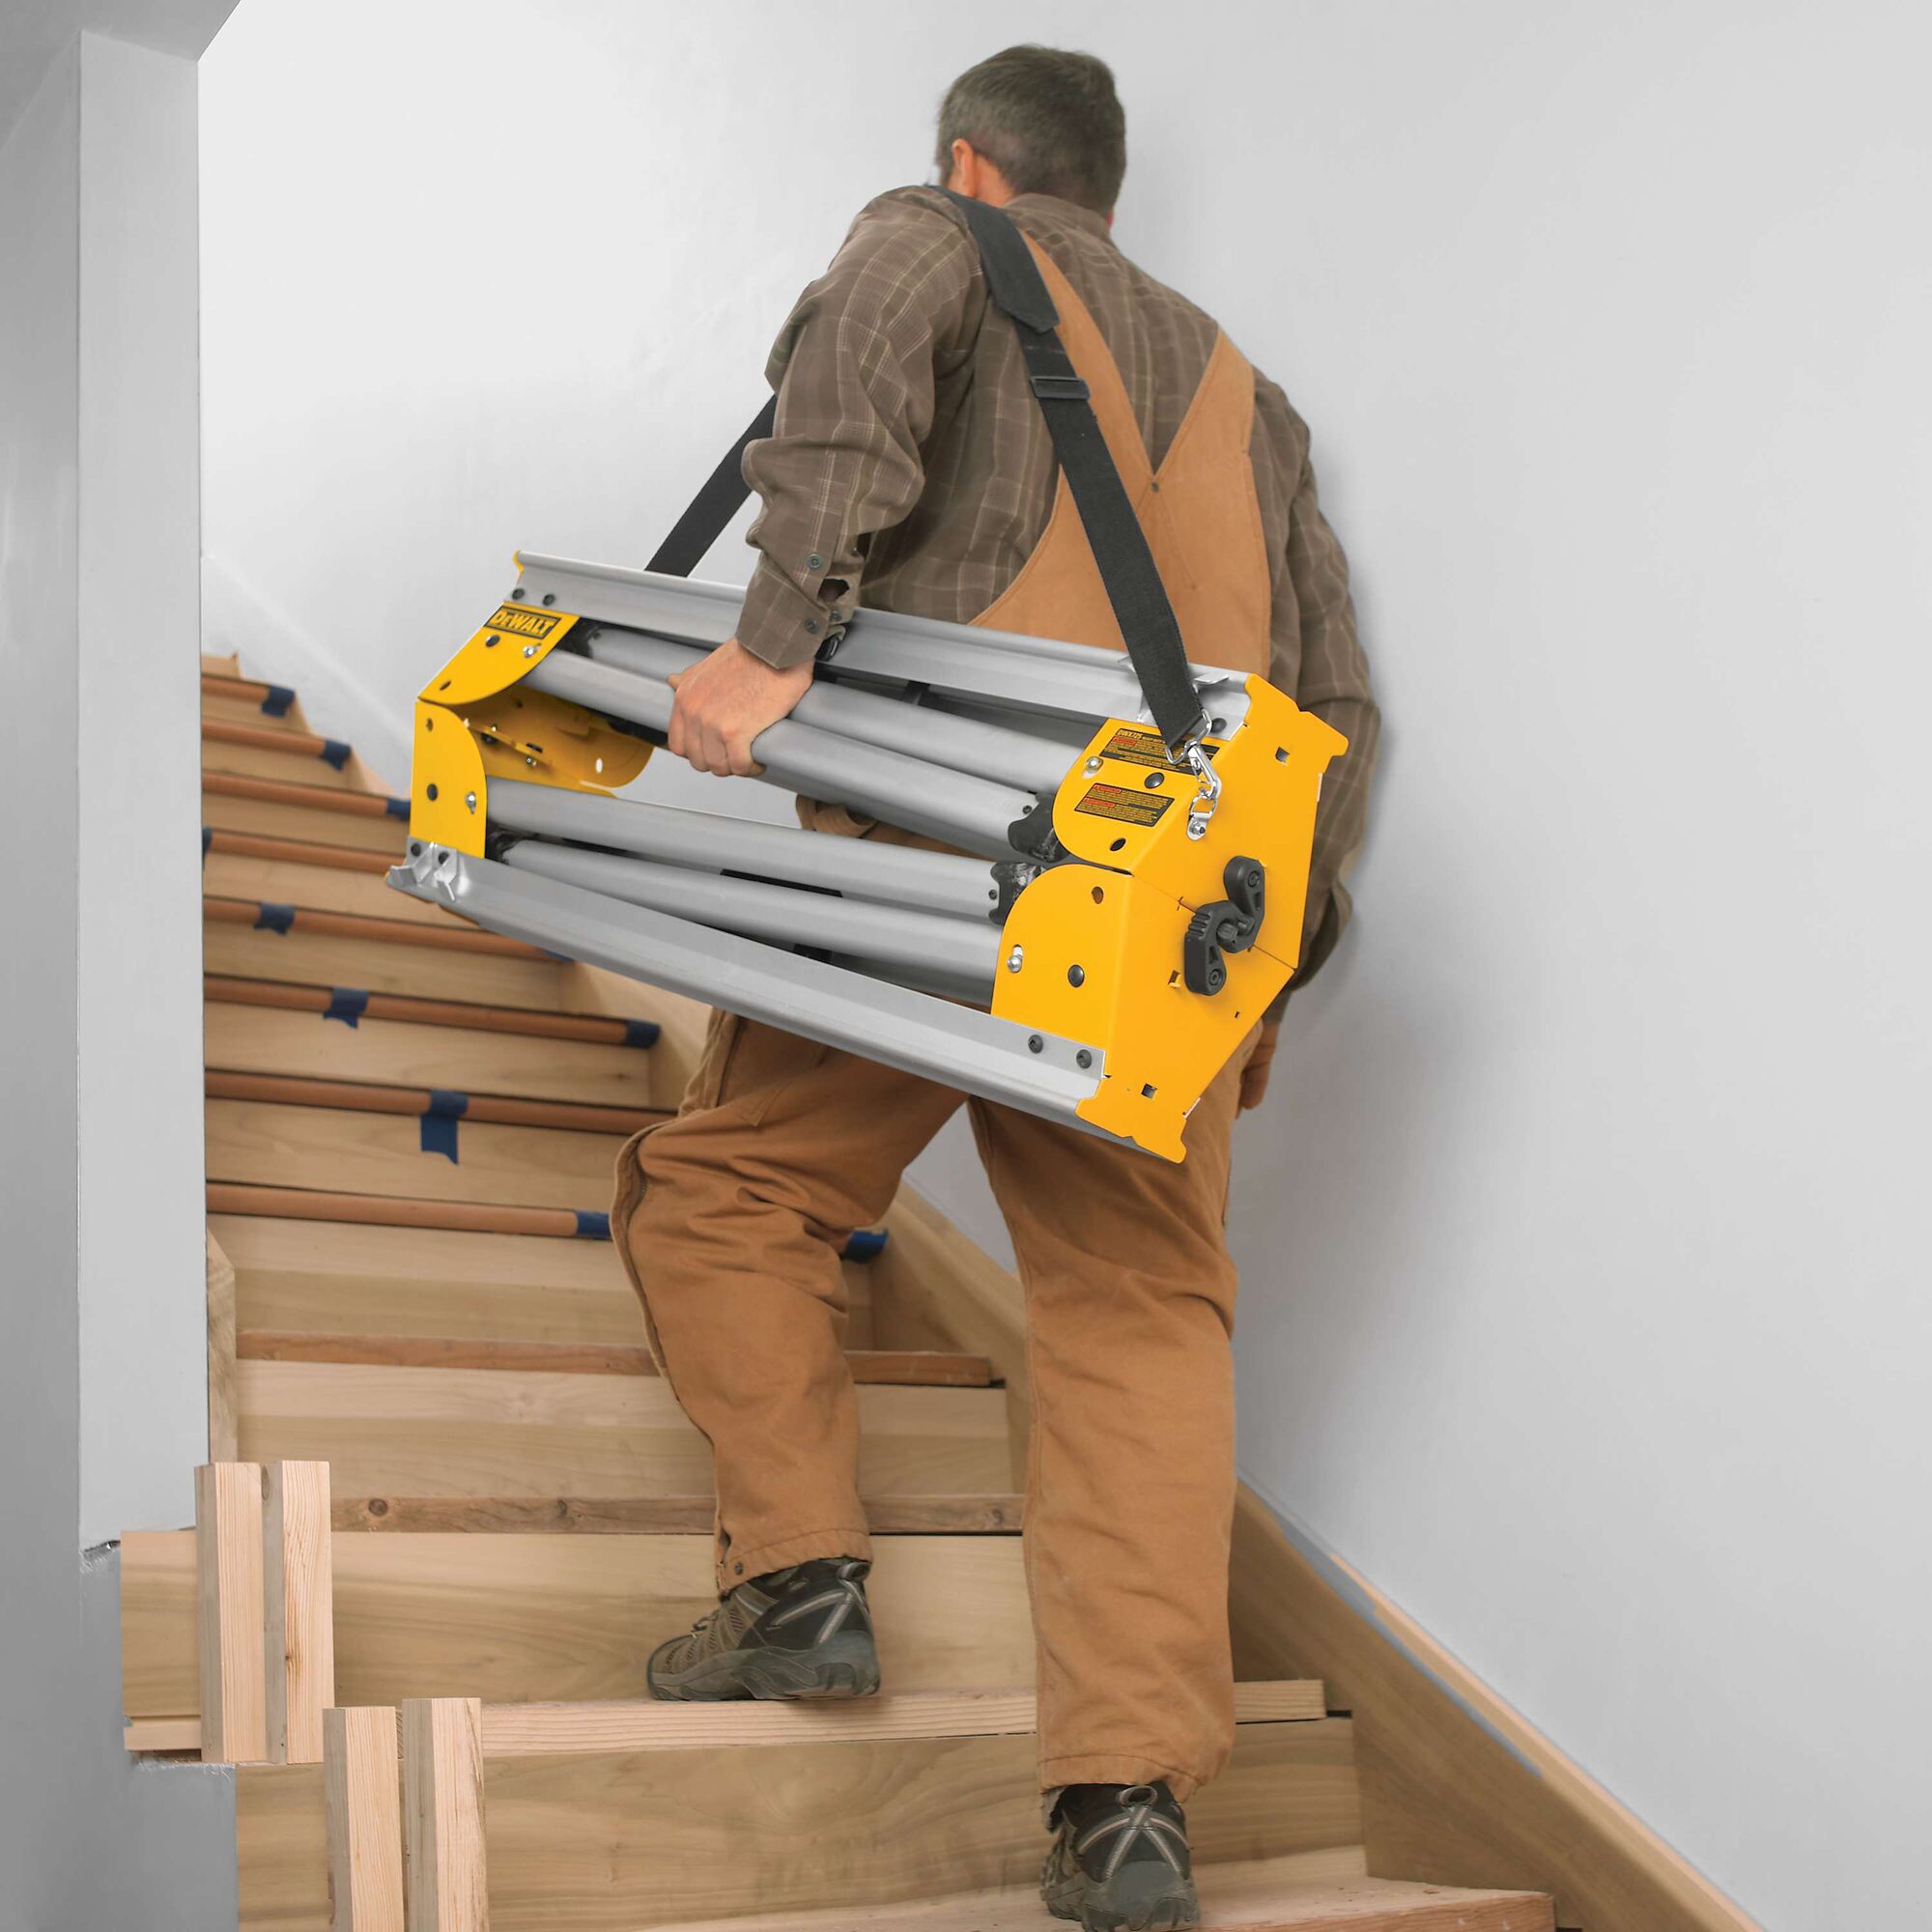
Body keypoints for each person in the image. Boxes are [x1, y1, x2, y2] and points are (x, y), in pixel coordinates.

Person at [611, 43, 1379, 1932]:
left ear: (972, 162)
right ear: (1101, 187)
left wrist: (770, 644)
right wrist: (1272, 957)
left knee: (728, 1186)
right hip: (1178, 925)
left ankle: (795, 1580)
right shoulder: (1258, 405)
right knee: (1138, 1310)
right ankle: (1122, 1807)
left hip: (939, 866)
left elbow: (849, 385)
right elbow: (1332, 705)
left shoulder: (934, 237)